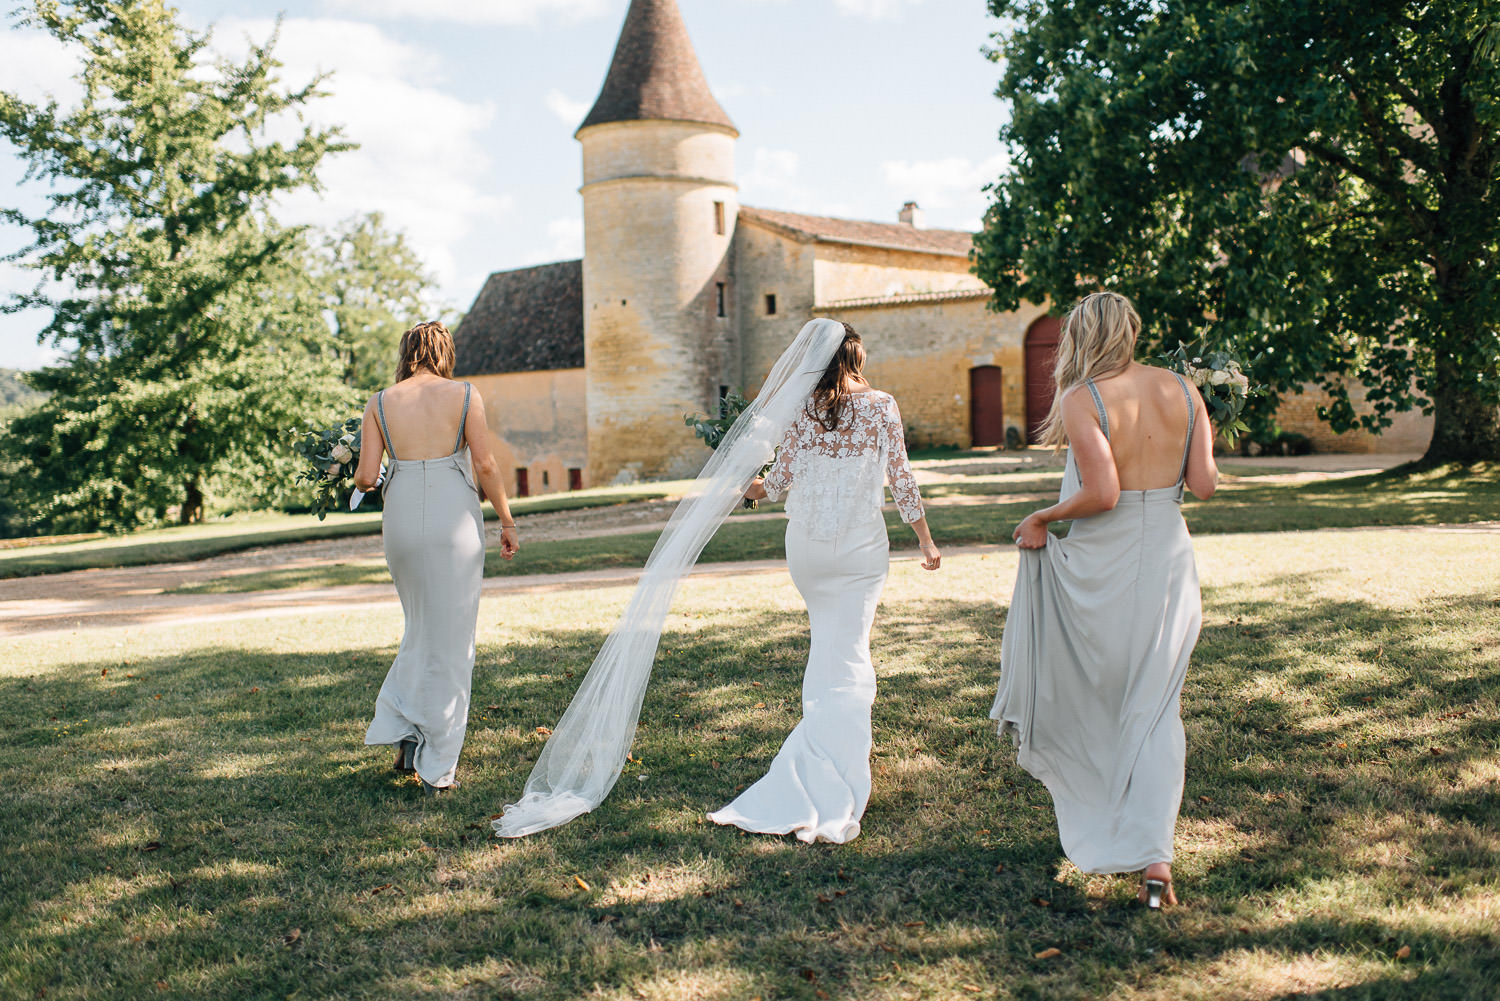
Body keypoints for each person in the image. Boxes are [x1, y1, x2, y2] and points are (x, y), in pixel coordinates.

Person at [989, 292, 1218, 907]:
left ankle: (1119, 826)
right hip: (1170, 558)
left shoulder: (1083, 397)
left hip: (1109, 563)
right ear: (1133, 331)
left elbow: (1103, 493)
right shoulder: (1186, 390)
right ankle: (1155, 858)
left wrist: (1042, 514)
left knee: (1103, 694)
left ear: (1081, 337)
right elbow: (1203, 485)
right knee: (1156, 705)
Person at [707, 323, 942, 844]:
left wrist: (741, 485)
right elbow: (901, 478)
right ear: (856, 355)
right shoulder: (883, 405)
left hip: (808, 551)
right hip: (859, 550)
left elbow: (778, 484)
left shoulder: (800, 409)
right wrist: (924, 539)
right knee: (850, 650)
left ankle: (823, 747)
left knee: (829, 647)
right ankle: (839, 767)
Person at [353, 320, 520, 795]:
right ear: (444, 351)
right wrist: (507, 521)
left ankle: (406, 732)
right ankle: (436, 764)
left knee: (421, 627)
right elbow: (484, 464)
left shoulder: (379, 402)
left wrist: (356, 467)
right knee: (451, 639)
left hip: (402, 521)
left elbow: (367, 478)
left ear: (407, 352)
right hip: (453, 522)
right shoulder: (465, 394)